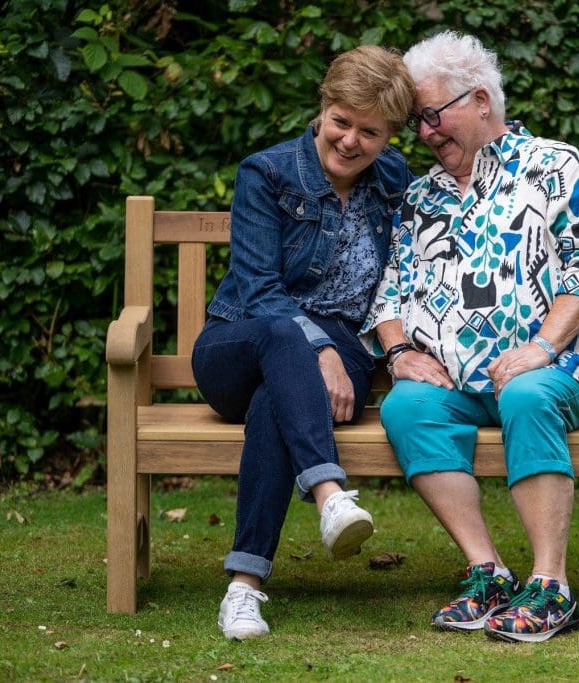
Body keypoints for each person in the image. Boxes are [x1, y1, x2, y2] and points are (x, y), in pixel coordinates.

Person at [361, 31, 579, 643]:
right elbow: (389, 289)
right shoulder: (421, 197)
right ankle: (489, 572)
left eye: (432, 115)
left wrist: (542, 348)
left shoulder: (559, 170)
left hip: (558, 373)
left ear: (480, 100)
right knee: (407, 406)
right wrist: (400, 352)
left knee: (526, 395)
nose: (424, 133)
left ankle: (551, 587)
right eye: (416, 123)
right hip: (454, 380)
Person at [191, 45, 415, 640]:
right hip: (240, 341)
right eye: (342, 121)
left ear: (390, 136)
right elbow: (262, 290)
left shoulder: (394, 182)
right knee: (280, 335)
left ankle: (243, 588)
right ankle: (329, 494)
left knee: (278, 401)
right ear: (323, 108)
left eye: (370, 132)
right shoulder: (266, 173)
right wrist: (317, 351)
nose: (350, 141)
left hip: (335, 356)